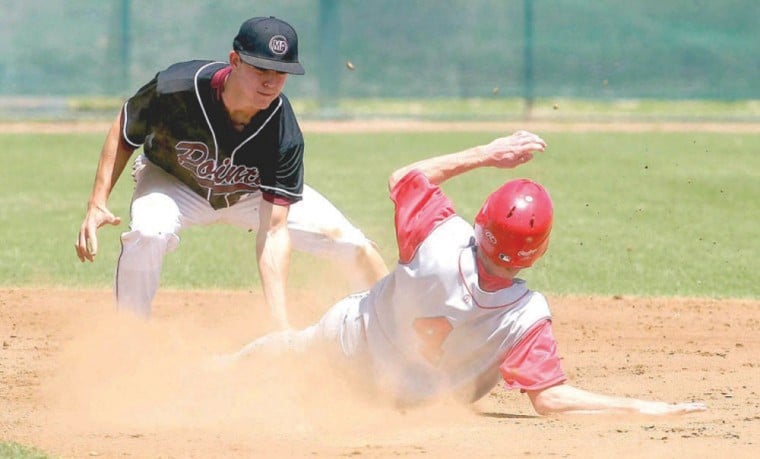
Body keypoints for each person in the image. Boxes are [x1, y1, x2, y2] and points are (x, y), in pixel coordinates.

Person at [226, 130, 707, 416]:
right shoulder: (527, 313)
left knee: (285, 353)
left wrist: (488, 153)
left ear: (482, 221)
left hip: (345, 346)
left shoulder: (439, 237)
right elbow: (551, 400)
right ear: (537, 253)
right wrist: (641, 407)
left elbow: (405, 178)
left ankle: (211, 377)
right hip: (407, 401)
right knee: (479, 373)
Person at [74, 16, 388, 330]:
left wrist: (281, 328)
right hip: (174, 181)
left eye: (281, 72)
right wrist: (97, 201)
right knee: (147, 233)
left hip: (249, 193)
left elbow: (275, 231)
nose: (270, 81)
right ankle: (129, 336)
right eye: (260, 68)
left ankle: (397, 326)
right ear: (235, 60)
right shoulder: (179, 87)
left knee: (353, 245)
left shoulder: (283, 131)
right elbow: (126, 128)